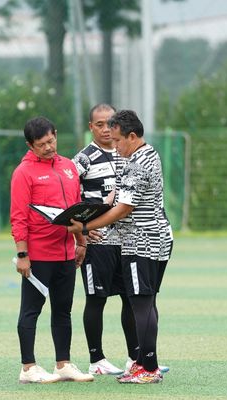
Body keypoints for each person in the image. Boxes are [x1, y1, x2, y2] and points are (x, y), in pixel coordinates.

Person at [68, 110, 173, 384]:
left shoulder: (138, 162)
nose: (114, 146)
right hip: (155, 237)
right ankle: (143, 363)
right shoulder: (144, 154)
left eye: (118, 141)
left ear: (132, 136)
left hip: (142, 241)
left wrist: (85, 227)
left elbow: (124, 209)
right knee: (146, 301)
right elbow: (118, 196)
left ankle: (147, 368)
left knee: (140, 303)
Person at [10, 116, 94, 384]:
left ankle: (63, 364)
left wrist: (81, 242)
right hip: (38, 255)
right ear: (30, 145)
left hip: (66, 253)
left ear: (56, 134)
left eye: (51, 140)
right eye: (41, 144)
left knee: (63, 310)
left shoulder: (69, 166)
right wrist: (23, 255)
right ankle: (28, 368)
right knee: (31, 310)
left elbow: (76, 210)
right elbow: (18, 217)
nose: (48, 147)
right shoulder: (23, 173)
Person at [72, 103, 136, 376]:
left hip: (127, 240)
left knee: (131, 298)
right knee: (96, 299)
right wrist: (83, 230)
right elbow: (68, 195)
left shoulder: (126, 153)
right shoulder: (83, 159)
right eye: (99, 124)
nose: (105, 129)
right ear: (91, 127)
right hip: (98, 242)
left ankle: (135, 358)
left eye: (109, 123)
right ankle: (96, 359)